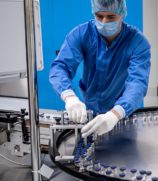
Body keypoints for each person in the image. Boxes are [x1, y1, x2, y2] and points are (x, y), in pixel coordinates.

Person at [49, 0, 151, 138]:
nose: (104, 22)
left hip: (122, 115)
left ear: (122, 14)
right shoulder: (81, 34)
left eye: (111, 17)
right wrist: (69, 97)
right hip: (90, 114)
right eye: (99, 16)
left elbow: (137, 84)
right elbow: (61, 67)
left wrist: (115, 114)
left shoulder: (138, 42)